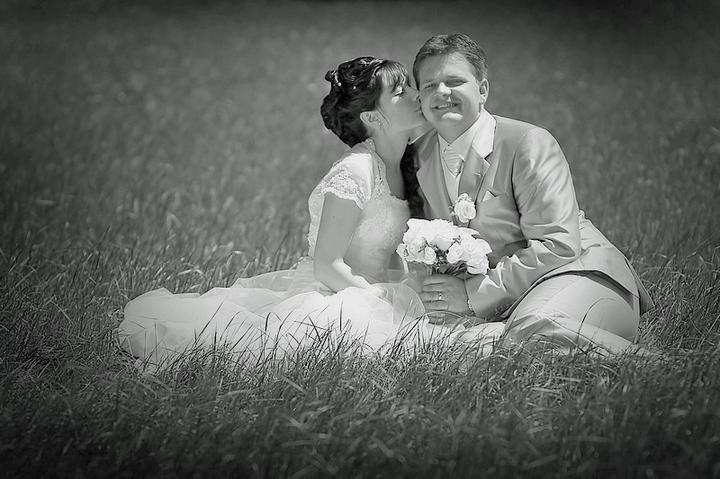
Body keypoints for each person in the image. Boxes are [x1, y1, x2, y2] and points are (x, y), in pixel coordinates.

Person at [119, 56, 457, 366]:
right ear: (372, 117)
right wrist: (381, 300)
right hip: (341, 293)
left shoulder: (405, 163)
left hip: (377, 288)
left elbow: (391, 251)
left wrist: (412, 287)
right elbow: (327, 265)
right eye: (400, 92)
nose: (416, 95)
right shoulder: (356, 170)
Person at [411, 33, 654, 355]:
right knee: (468, 347)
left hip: (576, 272)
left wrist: (472, 294)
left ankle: (672, 369)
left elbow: (559, 244)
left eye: (455, 81)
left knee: (534, 329)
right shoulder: (417, 156)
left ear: (482, 90)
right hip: (511, 296)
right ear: (420, 98)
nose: (442, 92)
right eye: (430, 85)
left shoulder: (528, 142)